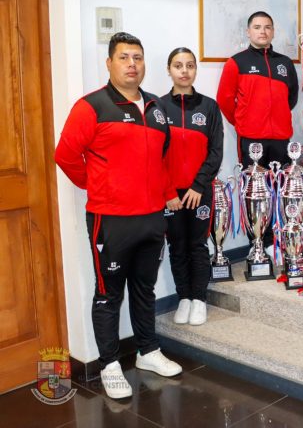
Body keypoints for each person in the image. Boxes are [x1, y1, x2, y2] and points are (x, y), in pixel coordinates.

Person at [55, 32, 182, 400]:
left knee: (144, 288)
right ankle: (109, 363)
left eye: (137, 58)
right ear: (109, 63)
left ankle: (147, 351)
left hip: (151, 217)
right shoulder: (91, 106)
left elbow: (161, 159)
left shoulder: (156, 107)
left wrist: (165, 195)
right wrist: (99, 185)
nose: (132, 64)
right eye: (124, 57)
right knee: (108, 293)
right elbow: (65, 155)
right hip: (110, 219)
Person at [217, 11, 299, 254]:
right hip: (252, 141)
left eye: (267, 27)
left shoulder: (285, 63)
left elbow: (291, 98)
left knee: (280, 192)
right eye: (257, 27)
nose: (262, 31)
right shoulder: (236, 63)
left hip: (281, 139)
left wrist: (278, 117)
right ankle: (259, 245)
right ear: (248, 31)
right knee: (255, 195)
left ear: (273, 32)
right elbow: (224, 100)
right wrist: (243, 123)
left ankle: (278, 242)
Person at [161, 48, 223, 327]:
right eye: (178, 65)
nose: (184, 71)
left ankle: (199, 299)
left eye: (189, 65)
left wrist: (199, 185)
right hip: (171, 195)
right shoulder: (158, 108)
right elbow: (155, 154)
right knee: (176, 245)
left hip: (200, 191)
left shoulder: (209, 107)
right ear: (169, 70)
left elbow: (216, 151)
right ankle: (183, 297)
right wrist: (168, 192)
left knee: (197, 245)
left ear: (195, 69)